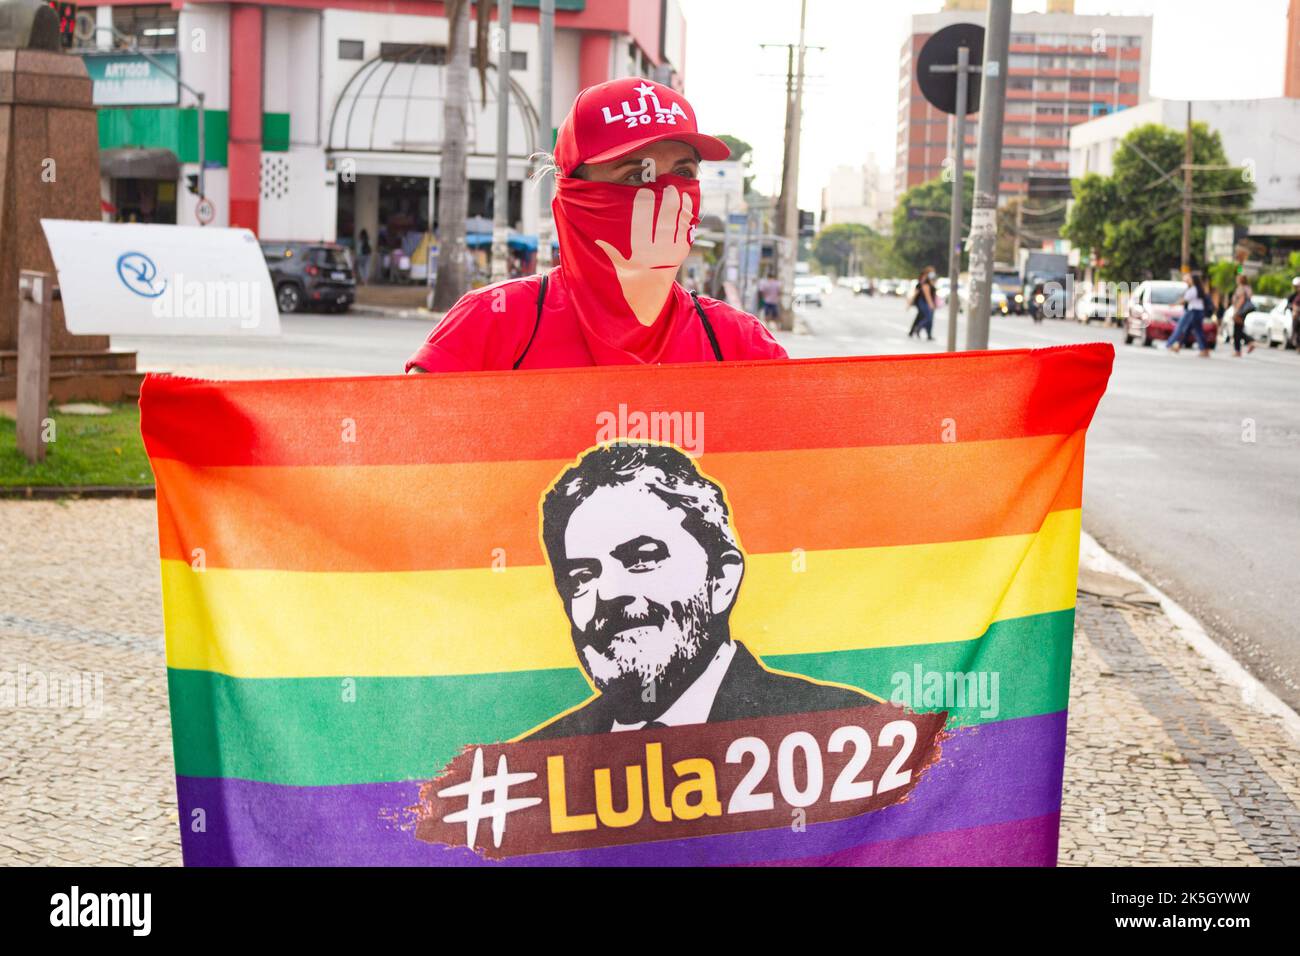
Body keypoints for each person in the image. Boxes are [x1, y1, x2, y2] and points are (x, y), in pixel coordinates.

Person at [405, 77, 786, 373]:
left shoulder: (739, 345)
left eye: (683, 173)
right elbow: (407, 444)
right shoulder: (493, 323)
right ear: (573, 192)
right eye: (636, 175)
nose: (668, 197)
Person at [523, 443, 877, 739]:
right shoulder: (534, 763)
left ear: (721, 579)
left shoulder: (843, 732)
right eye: (582, 577)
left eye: (643, 558)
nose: (609, 593)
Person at [1166, 272, 1210, 357]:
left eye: (1190, 279)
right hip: (1198, 311)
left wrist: (1174, 305)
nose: (1188, 280)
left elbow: (1184, 300)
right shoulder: (1198, 289)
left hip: (1193, 312)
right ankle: (1179, 346)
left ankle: (1171, 344)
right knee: (1192, 330)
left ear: (1193, 280)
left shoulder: (1193, 289)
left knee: (1188, 329)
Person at [1229, 273, 1256, 357]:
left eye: (1237, 278)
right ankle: (1249, 342)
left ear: (1240, 280)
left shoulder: (1241, 288)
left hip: (1240, 311)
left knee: (1237, 331)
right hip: (1244, 311)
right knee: (1239, 329)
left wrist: (1236, 312)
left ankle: (1238, 350)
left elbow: (1241, 299)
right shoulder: (1248, 287)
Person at [907, 267, 936, 340]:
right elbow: (919, 293)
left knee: (923, 318)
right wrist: (910, 303)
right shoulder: (923, 283)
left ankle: (926, 334)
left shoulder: (930, 281)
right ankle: (917, 329)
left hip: (927, 302)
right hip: (922, 302)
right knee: (927, 318)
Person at [1287, 276, 1300, 350]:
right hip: (1296, 316)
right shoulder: (1293, 296)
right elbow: (1291, 305)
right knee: (1295, 330)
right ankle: (1295, 343)